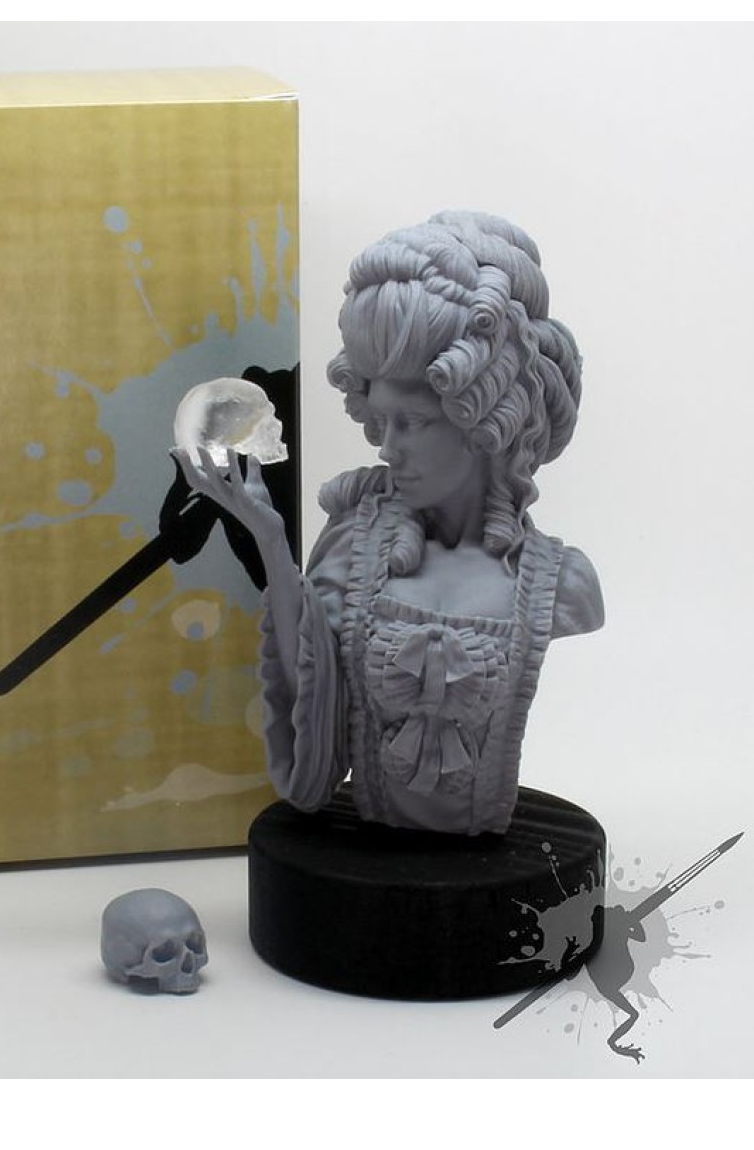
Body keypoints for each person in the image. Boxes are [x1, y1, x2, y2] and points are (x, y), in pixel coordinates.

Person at [173, 212, 603, 835]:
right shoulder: (355, 548)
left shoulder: (558, 583)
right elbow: (311, 713)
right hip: (363, 854)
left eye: (414, 423)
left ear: (484, 424)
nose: (387, 446)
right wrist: (269, 541)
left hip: (489, 870)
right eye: (381, 419)